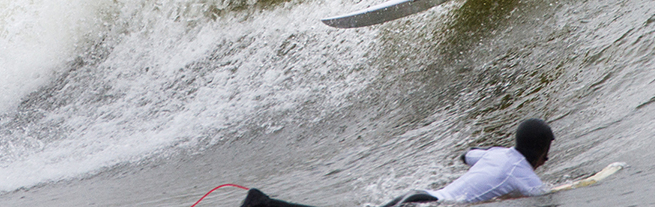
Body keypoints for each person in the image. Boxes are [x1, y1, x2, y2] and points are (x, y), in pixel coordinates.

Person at [238, 119, 555, 207]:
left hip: (419, 197)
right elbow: (546, 193)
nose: (548, 158)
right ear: (539, 149)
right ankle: (261, 203)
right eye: (546, 151)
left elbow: (467, 155)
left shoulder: (498, 153)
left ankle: (263, 203)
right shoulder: (523, 175)